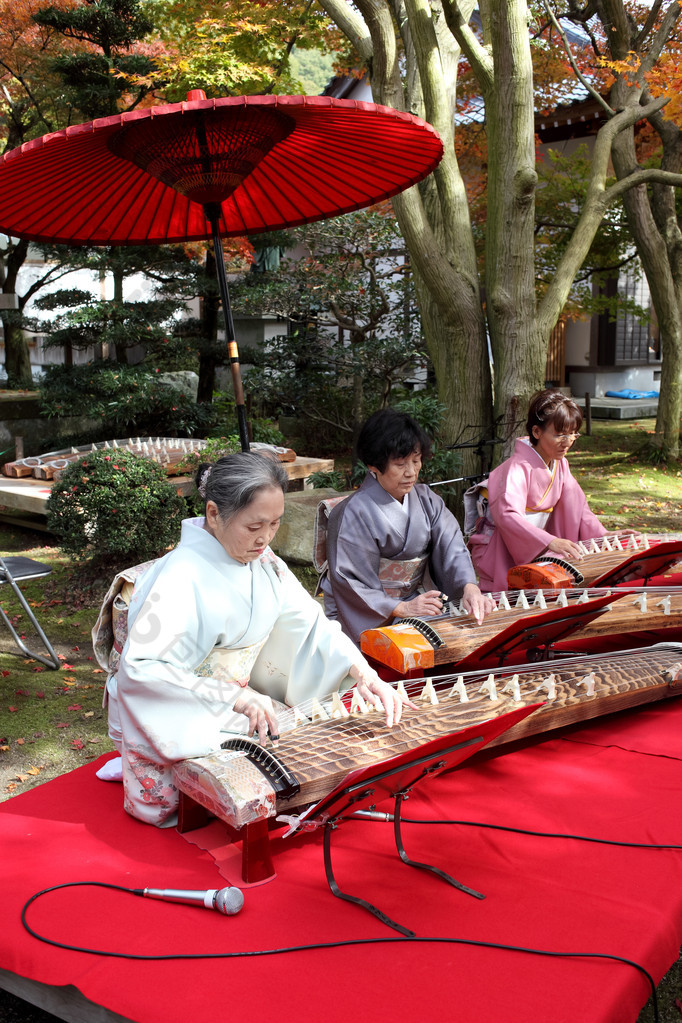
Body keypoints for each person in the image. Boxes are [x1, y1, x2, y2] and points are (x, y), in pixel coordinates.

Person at [104, 451, 411, 827]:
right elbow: (145, 668)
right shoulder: (178, 578)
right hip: (186, 715)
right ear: (214, 514)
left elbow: (311, 623)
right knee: (260, 782)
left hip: (244, 708)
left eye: (275, 524)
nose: (265, 538)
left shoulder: (264, 562)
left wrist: (363, 673)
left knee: (313, 758)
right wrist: (234, 696)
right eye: (254, 527)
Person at [318, 408, 493, 646]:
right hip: (367, 611)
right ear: (374, 465)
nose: (411, 472)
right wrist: (401, 607)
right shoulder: (353, 513)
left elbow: (452, 546)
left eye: (416, 460)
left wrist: (469, 586)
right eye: (400, 464)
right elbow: (351, 582)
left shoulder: (427, 500)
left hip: (414, 602)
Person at [467, 389, 610, 593]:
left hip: (536, 543)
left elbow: (579, 509)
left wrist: (605, 535)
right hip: (501, 547)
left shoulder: (560, 465)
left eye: (572, 433)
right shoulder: (516, 468)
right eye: (560, 434)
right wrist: (550, 541)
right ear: (536, 432)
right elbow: (508, 516)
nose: (568, 441)